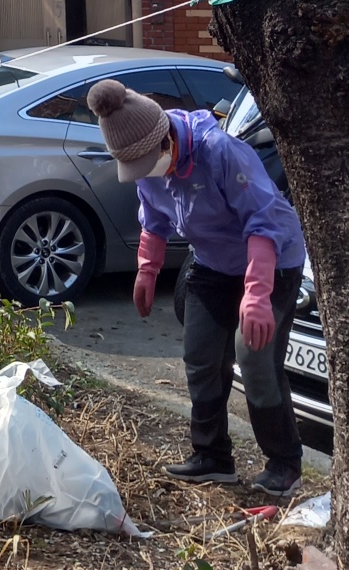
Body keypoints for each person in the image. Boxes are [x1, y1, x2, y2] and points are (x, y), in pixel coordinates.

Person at [86, 77, 307, 496]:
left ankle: (284, 463)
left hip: (270, 260)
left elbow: (263, 221)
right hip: (212, 262)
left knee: (255, 358)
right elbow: (153, 216)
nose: (144, 173)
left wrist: (257, 293)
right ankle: (213, 457)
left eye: (148, 161)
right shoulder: (146, 161)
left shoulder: (221, 153)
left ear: (166, 139)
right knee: (201, 355)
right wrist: (147, 270)